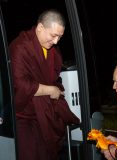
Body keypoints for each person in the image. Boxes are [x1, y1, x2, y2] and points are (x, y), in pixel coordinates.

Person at [9, 9, 80, 160]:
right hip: (25, 117)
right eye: (53, 35)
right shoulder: (20, 47)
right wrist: (50, 90)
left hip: (44, 113)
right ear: (40, 27)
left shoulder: (51, 49)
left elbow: (53, 77)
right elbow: (20, 84)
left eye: (59, 37)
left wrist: (56, 89)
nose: (55, 42)